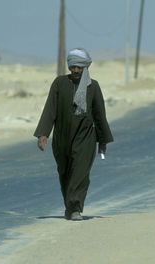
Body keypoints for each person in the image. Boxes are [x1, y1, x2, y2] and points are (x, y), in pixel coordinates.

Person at [34, 48, 113, 220]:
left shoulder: (93, 86)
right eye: (73, 66)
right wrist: (43, 134)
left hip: (85, 138)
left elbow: (100, 115)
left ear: (85, 67)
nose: (76, 70)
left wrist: (103, 141)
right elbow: (50, 109)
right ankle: (69, 207)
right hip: (62, 137)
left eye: (79, 67)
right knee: (65, 173)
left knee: (80, 173)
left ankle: (76, 207)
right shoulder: (59, 83)